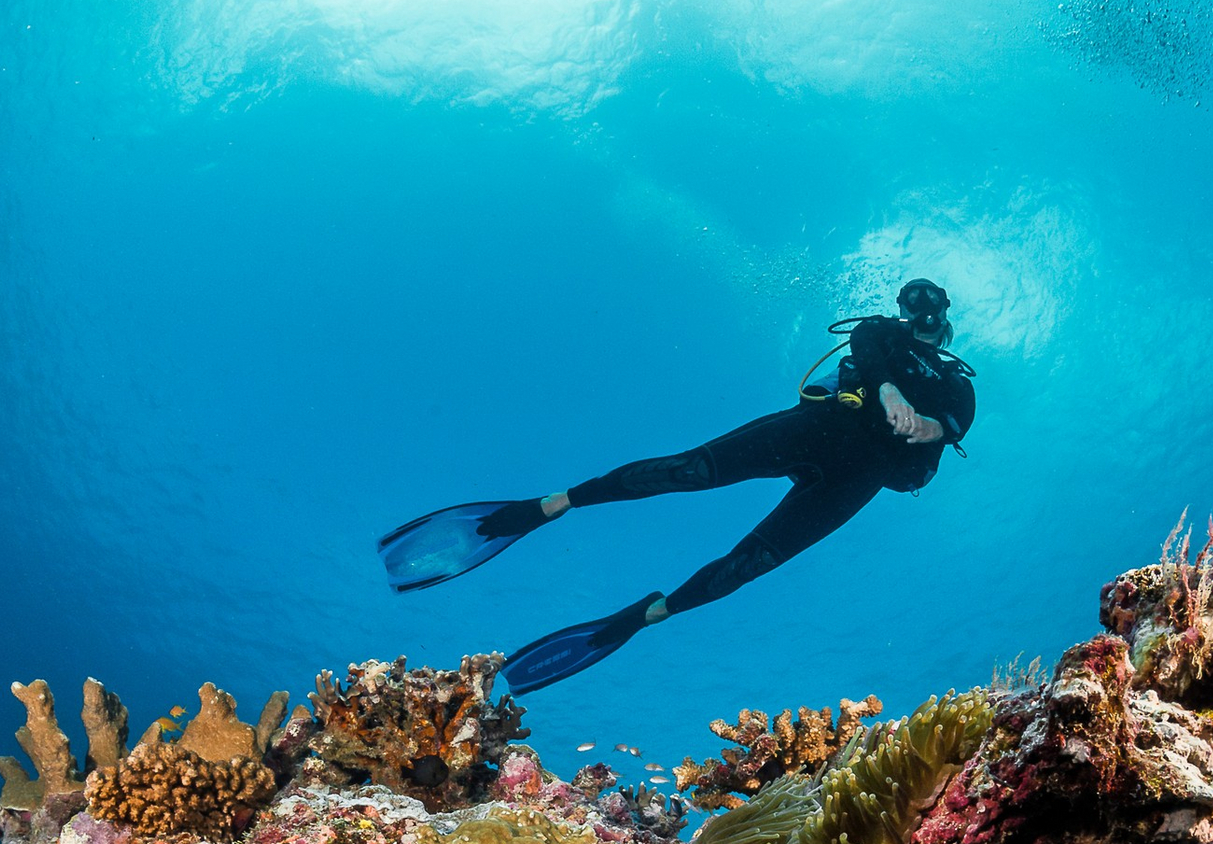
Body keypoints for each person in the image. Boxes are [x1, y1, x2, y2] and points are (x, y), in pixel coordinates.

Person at [378, 278, 976, 692]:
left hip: (859, 477)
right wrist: (889, 392)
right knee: (687, 469)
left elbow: (951, 426)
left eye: (930, 302)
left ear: (945, 313)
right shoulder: (882, 334)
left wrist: (923, 425)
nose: (920, 309)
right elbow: (865, 346)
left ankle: (643, 617)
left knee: (748, 566)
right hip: (821, 428)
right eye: (911, 300)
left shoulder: (959, 384)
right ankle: (551, 505)